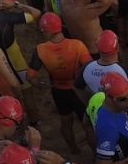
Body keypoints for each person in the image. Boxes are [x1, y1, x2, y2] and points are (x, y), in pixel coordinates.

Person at [26, 12, 93, 152]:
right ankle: (95, 153)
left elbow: (30, 77)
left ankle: (74, 149)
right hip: (78, 90)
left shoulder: (40, 50)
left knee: (66, 122)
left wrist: (41, 85)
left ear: (45, 31)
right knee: (87, 124)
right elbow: (90, 69)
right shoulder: (77, 45)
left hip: (59, 91)